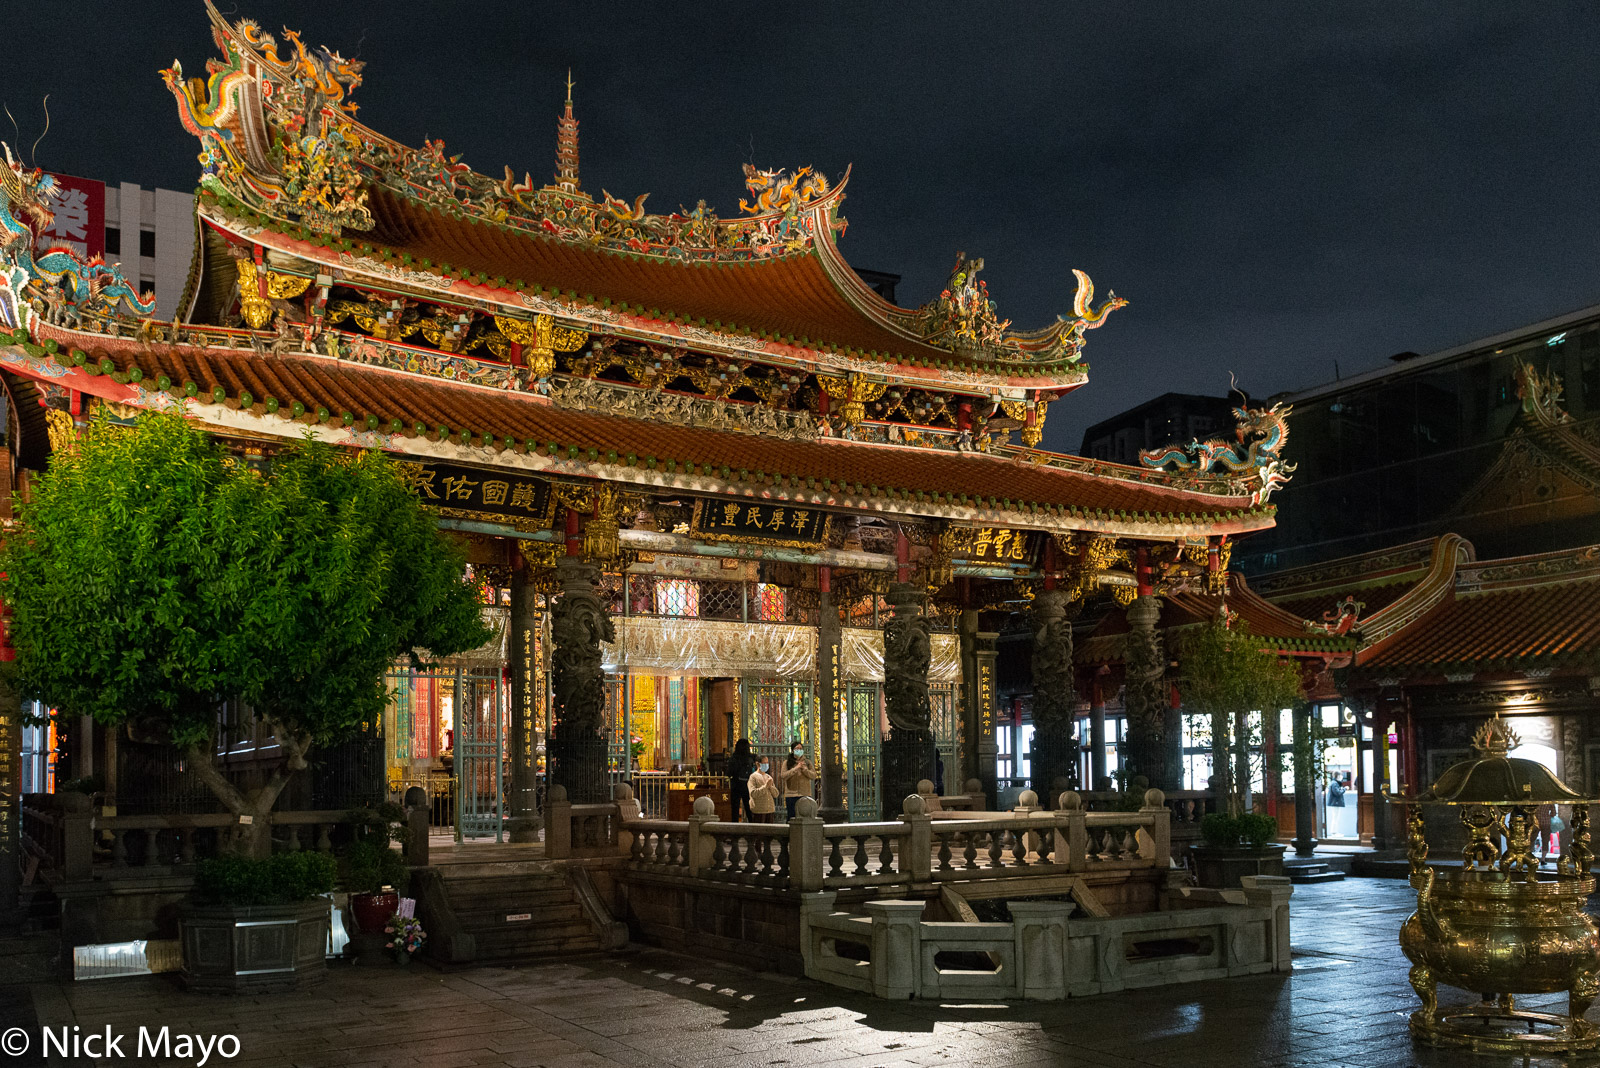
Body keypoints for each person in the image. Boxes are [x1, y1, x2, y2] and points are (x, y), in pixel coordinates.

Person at [781, 740, 820, 819]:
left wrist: (805, 770)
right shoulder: (786, 762)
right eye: (797, 749)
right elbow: (783, 776)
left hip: (804, 794)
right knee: (792, 817)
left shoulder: (807, 762)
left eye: (801, 748)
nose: (799, 750)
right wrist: (795, 768)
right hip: (791, 794)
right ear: (792, 751)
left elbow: (813, 776)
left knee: (805, 817)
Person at [727, 738, 755, 822]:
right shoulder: (751, 758)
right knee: (749, 807)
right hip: (748, 785)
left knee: (735, 808)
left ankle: (735, 826)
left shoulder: (734, 758)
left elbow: (729, 773)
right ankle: (752, 824)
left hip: (736, 785)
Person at [747, 757, 780, 824]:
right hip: (759, 810)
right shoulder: (753, 777)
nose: (766, 765)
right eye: (764, 763)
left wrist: (770, 786)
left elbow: (776, 794)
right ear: (758, 764)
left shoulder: (768, 777)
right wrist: (765, 786)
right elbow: (753, 793)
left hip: (770, 810)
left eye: (767, 763)